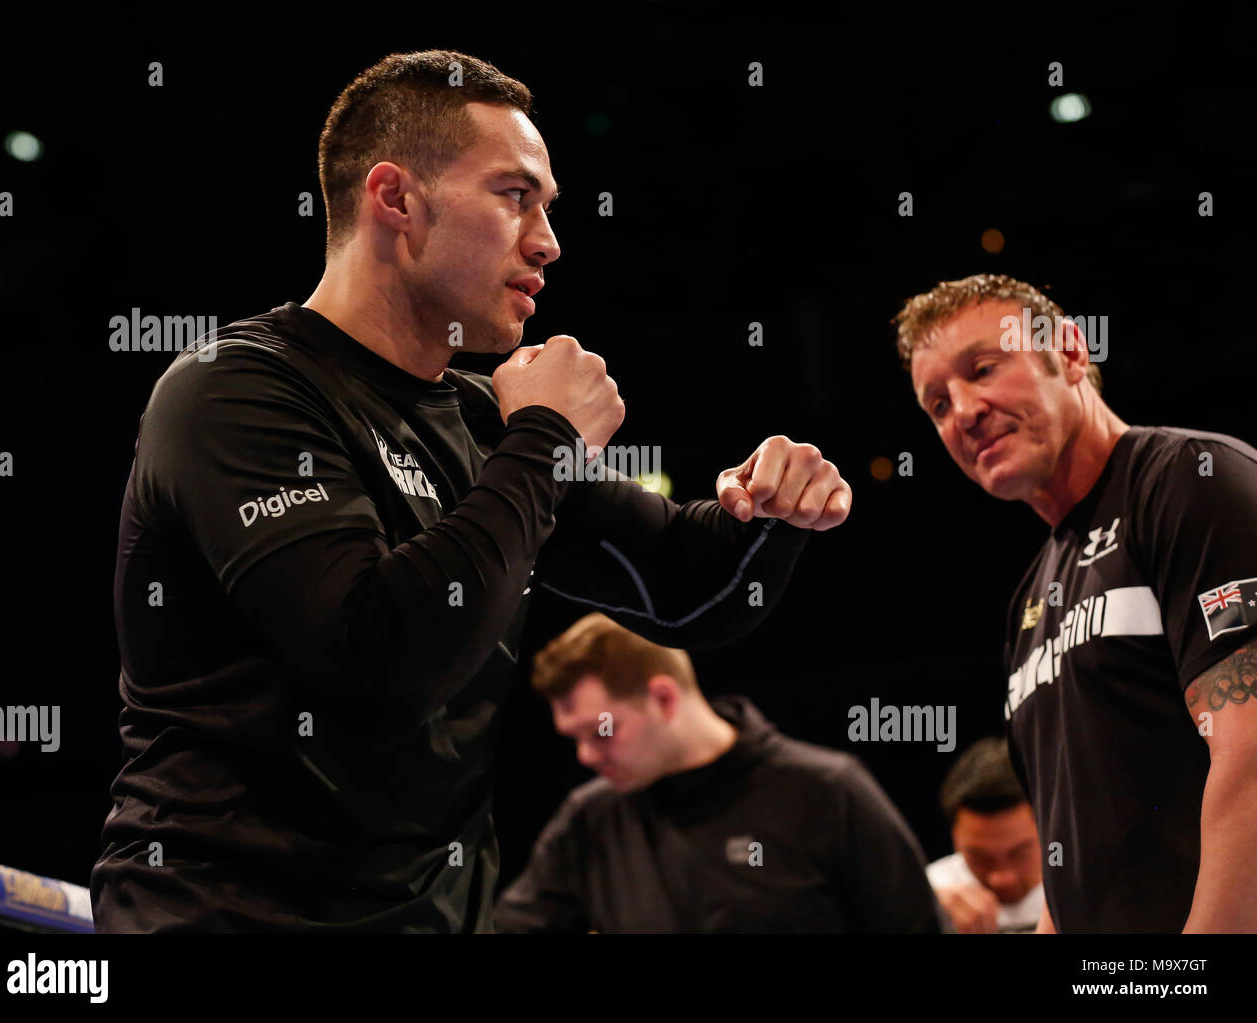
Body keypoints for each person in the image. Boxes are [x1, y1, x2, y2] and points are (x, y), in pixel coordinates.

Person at [90, 50, 852, 933]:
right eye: (514, 195)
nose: (549, 243)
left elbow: (687, 587)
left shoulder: (481, 419)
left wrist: (769, 508)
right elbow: (379, 659)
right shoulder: (233, 392)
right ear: (396, 199)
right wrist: (545, 438)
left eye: (549, 208)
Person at [894, 273, 1257, 933]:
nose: (964, 411)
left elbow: (1252, 752)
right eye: (938, 404)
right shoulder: (1029, 601)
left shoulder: (1190, 484)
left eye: (983, 368)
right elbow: (1069, 880)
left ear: (1068, 351)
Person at [494, 613, 943, 933]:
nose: (586, 757)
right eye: (573, 738)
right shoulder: (589, 820)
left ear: (664, 698)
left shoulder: (826, 791)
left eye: (600, 732)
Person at [926, 737, 1043, 933]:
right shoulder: (928, 897)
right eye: (979, 858)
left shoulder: (1090, 894)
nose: (1001, 878)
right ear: (954, 835)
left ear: (1049, 831)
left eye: (1019, 853)